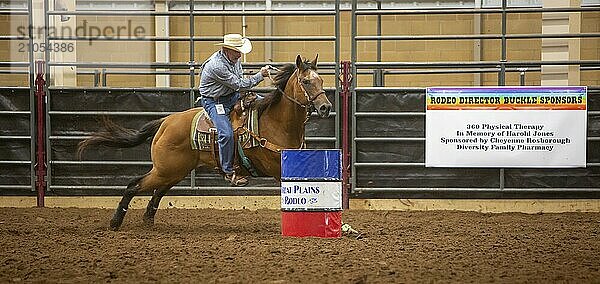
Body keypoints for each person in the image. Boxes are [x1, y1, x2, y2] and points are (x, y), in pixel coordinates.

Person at [198, 34, 270, 186]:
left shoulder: (234, 60)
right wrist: (260, 75)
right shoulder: (216, 66)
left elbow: (238, 82)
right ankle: (228, 171)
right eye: (236, 51)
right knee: (226, 134)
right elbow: (239, 83)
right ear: (226, 49)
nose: (239, 54)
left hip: (232, 96)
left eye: (239, 51)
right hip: (215, 102)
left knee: (265, 103)